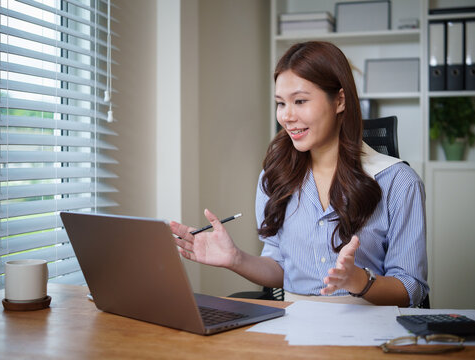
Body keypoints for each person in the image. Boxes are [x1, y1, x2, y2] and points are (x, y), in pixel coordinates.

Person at [171, 41, 428, 307]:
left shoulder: (399, 182)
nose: (287, 116)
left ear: (339, 100)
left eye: (300, 101)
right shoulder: (274, 178)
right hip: (294, 328)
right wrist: (235, 258)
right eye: (281, 103)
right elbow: (280, 268)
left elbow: (411, 288)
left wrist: (360, 281)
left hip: (369, 331)